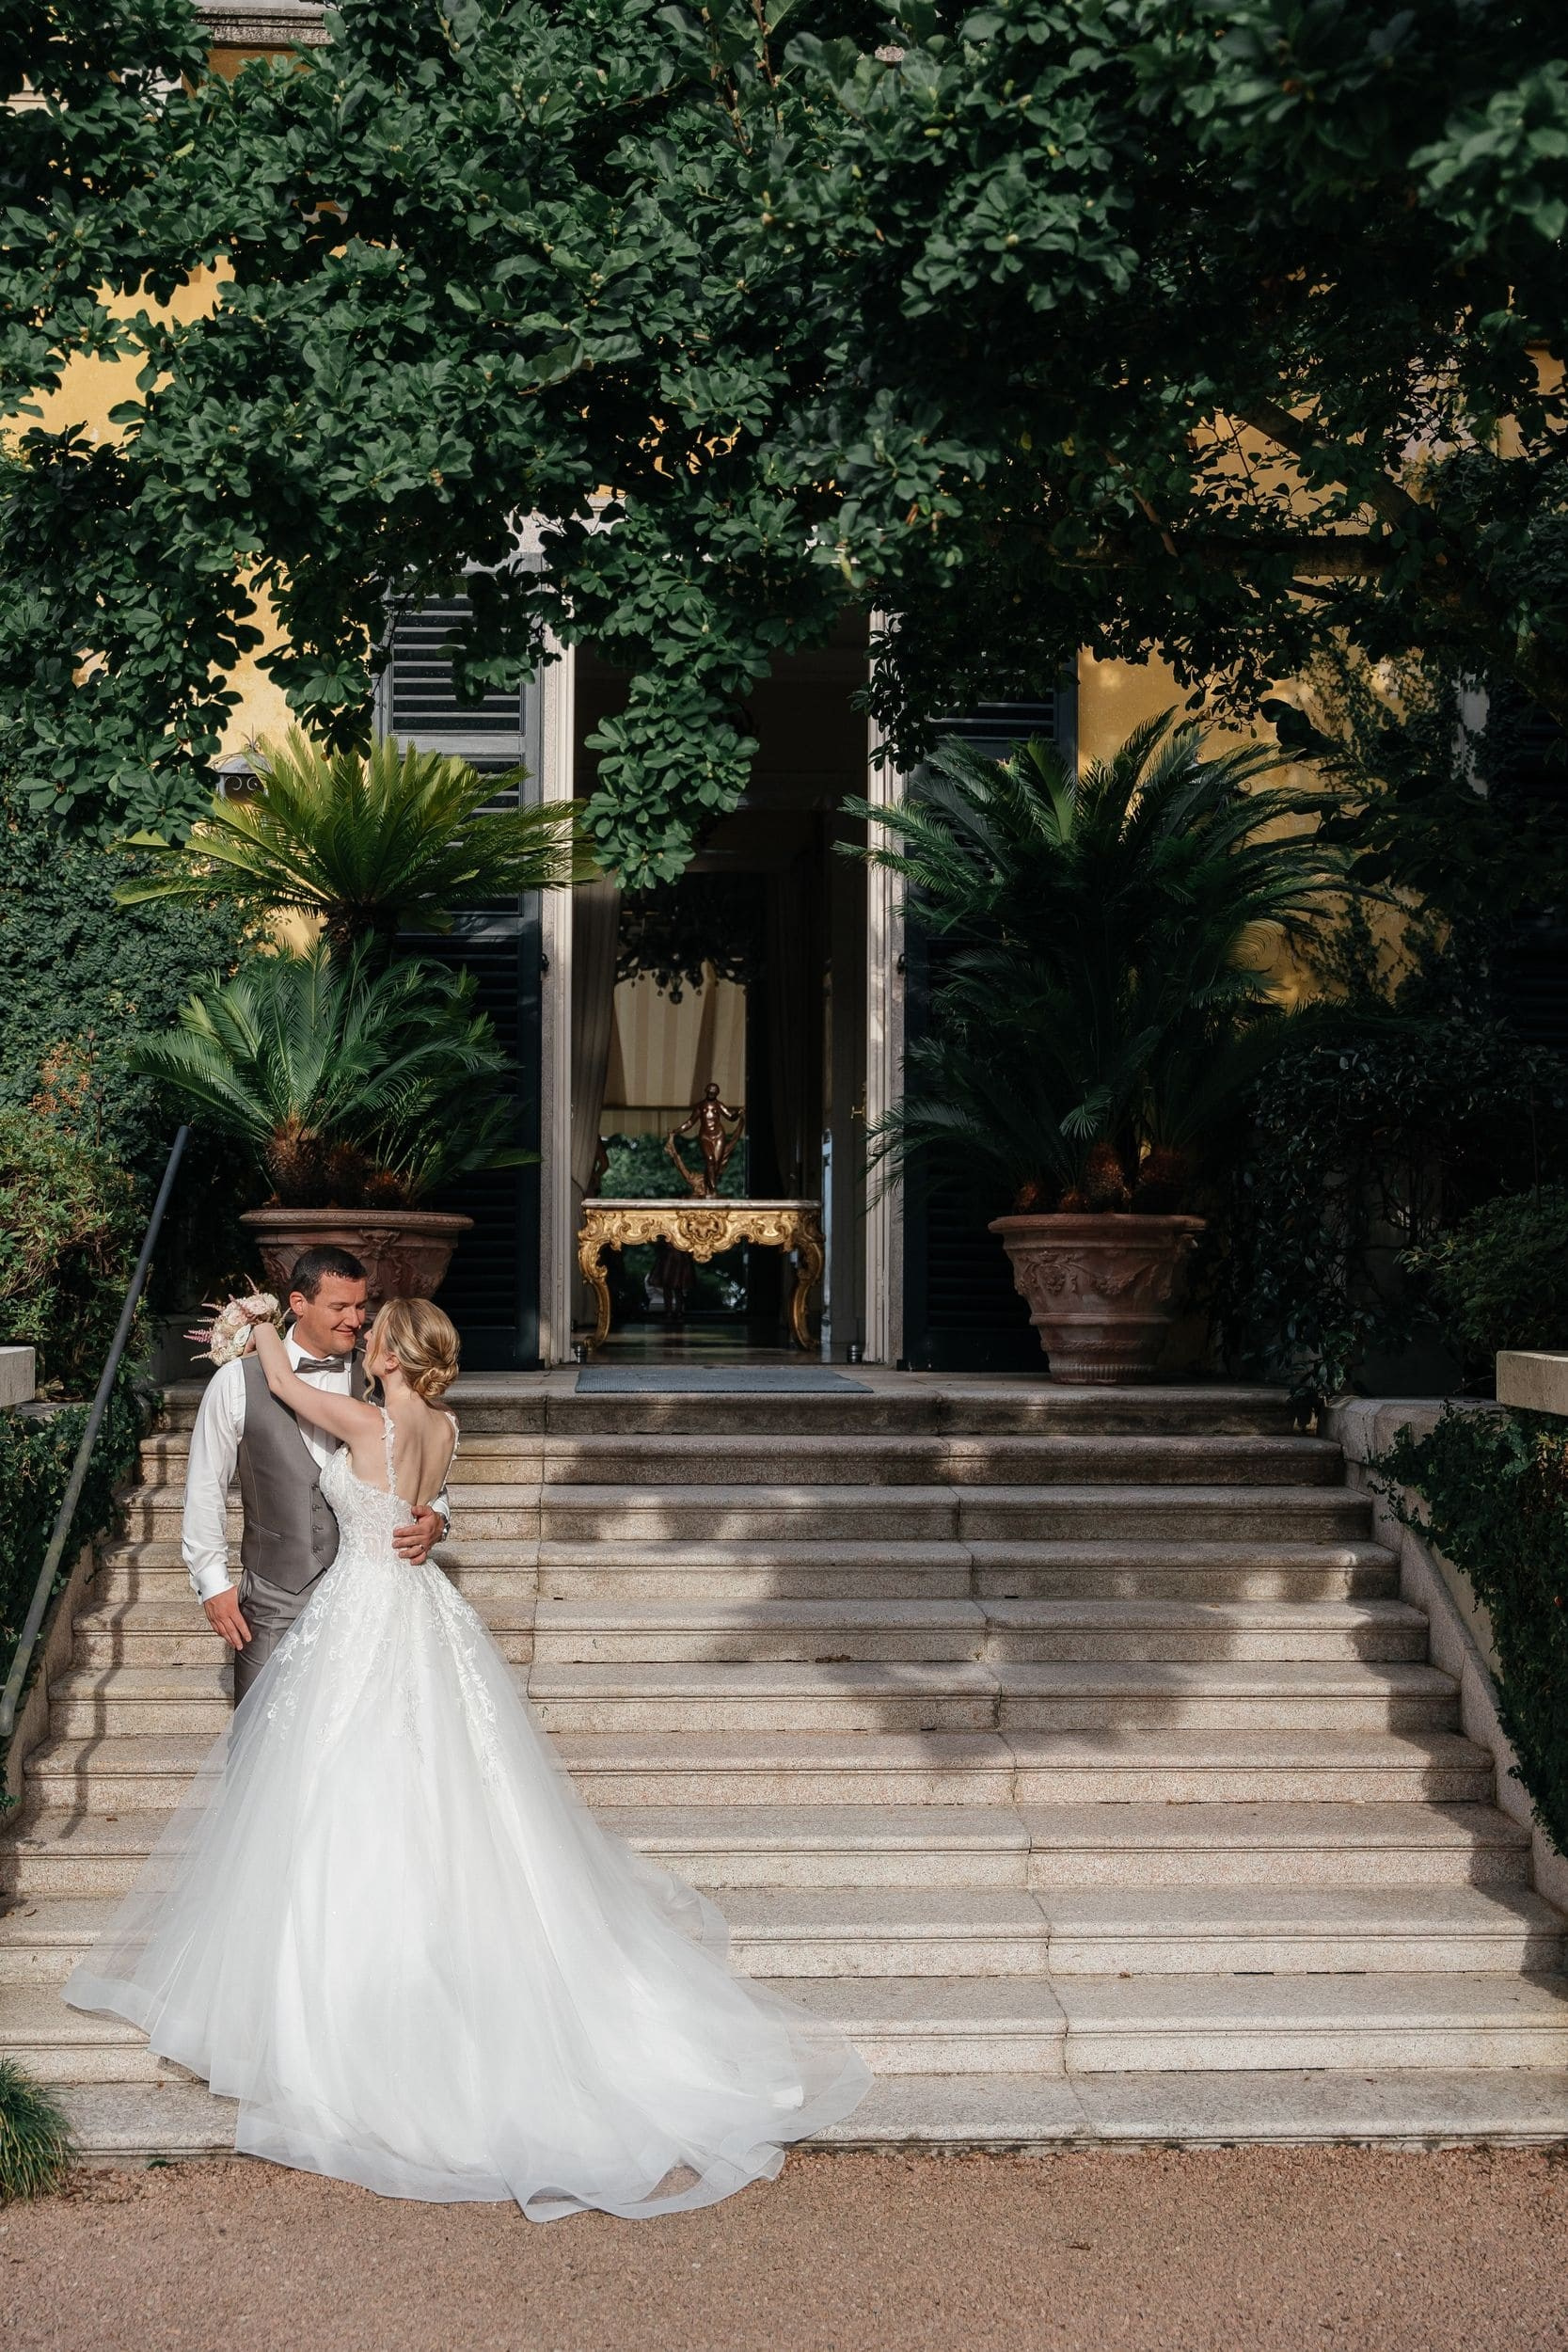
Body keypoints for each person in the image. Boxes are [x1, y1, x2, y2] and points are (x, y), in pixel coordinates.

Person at [63, 1295, 869, 2217]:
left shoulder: (367, 1418)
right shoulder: (444, 1424)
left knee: (340, 1787)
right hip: (420, 1613)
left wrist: (250, 1317)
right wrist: (425, 1517)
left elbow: (277, 1380)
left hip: (360, 1615)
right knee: (442, 1784)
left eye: (373, 1333)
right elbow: (421, 1501)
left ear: (397, 1352)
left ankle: (342, 2010)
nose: (361, 1340)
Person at [182, 1245, 447, 1703]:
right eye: (340, 1307)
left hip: (369, 1602)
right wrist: (213, 1582)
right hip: (275, 1597)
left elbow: (425, 1472)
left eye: (362, 1306)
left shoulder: (382, 1374)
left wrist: (436, 1517)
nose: (355, 1320)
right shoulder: (236, 1382)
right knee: (263, 1741)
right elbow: (205, 1486)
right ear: (299, 1305)